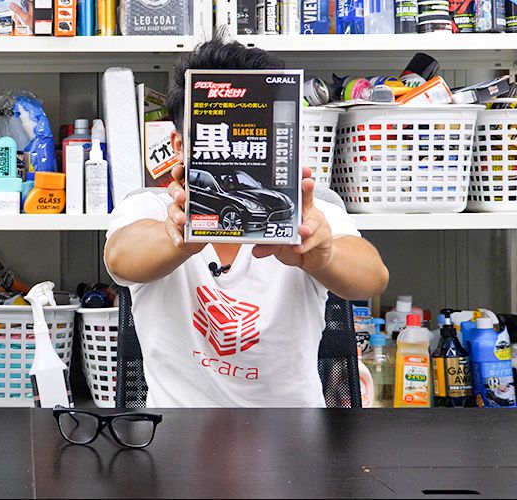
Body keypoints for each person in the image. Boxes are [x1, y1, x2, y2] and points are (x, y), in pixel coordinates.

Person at [104, 39, 390, 408]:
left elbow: (373, 276)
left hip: (292, 432)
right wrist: (178, 237)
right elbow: (120, 258)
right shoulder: (152, 209)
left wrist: (324, 256)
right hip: (179, 434)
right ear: (178, 144)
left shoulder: (309, 215)